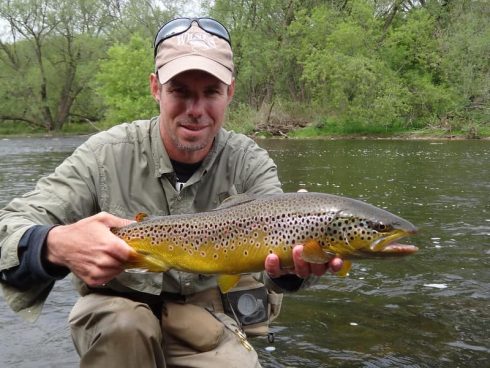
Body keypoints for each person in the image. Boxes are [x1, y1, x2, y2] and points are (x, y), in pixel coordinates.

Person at [0, 17, 342, 367]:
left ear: (230, 92)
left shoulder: (250, 162)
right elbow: (9, 227)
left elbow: (278, 266)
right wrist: (54, 244)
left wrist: (291, 270)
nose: (195, 111)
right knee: (124, 327)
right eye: (180, 91)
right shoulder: (105, 154)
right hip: (116, 315)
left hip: (206, 318)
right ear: (155, 88)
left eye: (211, 92)